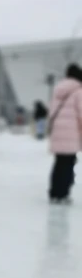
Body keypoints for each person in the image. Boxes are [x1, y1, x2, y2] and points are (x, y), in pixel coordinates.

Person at [47, 64, 82, 204]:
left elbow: (51, 111)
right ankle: (63, 194)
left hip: (58, 131)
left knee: (58, 163)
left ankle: (54, 193)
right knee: (68, 163)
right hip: (71, 133)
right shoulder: (79, 90)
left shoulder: (58, 89)